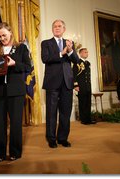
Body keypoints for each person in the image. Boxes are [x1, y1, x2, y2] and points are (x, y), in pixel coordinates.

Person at [0, 22, 31, 162]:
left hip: (16, 91)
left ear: (10, 33)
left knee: (15, 123)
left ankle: (15, 152)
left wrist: (15, 64)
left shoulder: (21, 48)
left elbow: (27, 67)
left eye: (4, 35)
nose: (2, 38)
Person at [41, 19, 79, 148]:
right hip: (52, 82)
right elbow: (45, 58)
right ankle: (51, 138)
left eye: (59, 26)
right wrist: (61, 53)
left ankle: (62, 138)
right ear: (52, 29)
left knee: (65, 112)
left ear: (64, 29)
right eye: (55, 26)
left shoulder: (69, 43)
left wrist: (69, 50)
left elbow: (77, 60)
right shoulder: (46, 43)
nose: (57, 28)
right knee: (51, 112)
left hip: (67, 83)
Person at [73, 48, 96, 125]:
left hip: (88, 86)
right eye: (85, 52)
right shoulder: (77, 63)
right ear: (80, 54)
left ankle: (88, 119)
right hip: (81, 86)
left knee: (88, 102)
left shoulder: (87, 63)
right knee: (82, 103)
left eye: (87, 52)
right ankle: (83, 119)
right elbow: (74, 74)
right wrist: (75, 85)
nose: (87, 53)